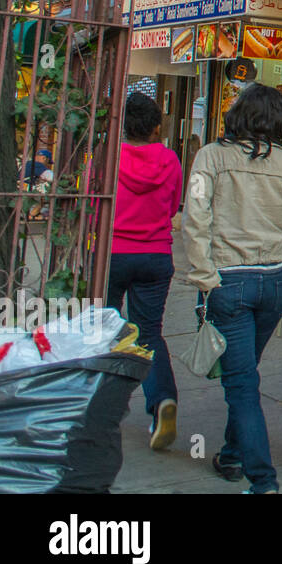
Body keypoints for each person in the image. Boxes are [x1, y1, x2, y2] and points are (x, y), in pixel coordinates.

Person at [181, 82, 282, 494]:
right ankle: (234, 455)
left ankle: (263, 479)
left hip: (230, 279)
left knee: (241, 383)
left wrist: (205, 278)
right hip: (273, 280)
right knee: (244, 376)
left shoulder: (210, 157)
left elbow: (194, 218)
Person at [108, 93, 183, 451]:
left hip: (112, 251)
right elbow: (171, 206)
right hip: (155, 253)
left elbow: (92, 201)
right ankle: (162, 400)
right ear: (156, 127)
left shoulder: (107, 156)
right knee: (149, 333)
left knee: (103, 328)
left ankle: (101, 407)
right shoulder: (170, 159)